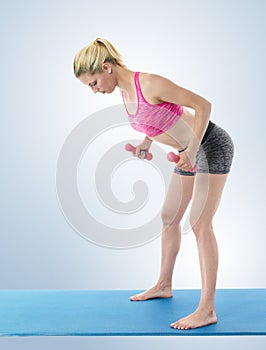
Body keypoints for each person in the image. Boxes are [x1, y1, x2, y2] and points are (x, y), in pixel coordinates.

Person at [73, 38, 234, 330]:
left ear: (107, 68)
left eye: (93, 83)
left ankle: (207, 310)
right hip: (189, 153)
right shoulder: (125, 93)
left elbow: (203, 105)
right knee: (169, 217)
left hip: (210, 145)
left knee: (199, 223)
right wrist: (144, 144)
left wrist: (193, 147)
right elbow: (158, 120)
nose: (94, 90)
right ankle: (163, 284)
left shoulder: (148, 83)